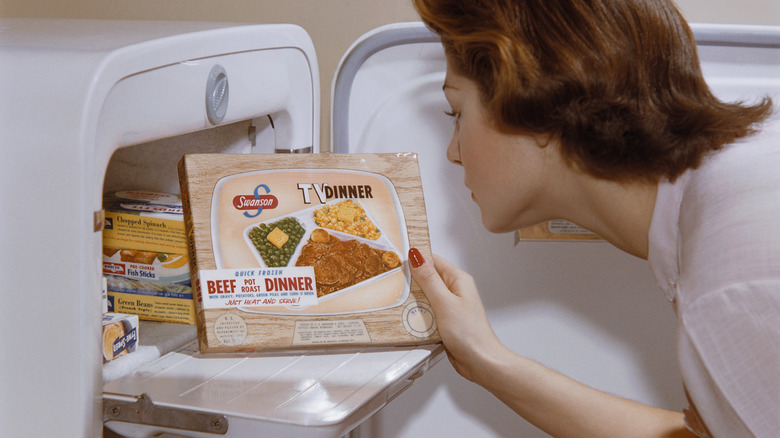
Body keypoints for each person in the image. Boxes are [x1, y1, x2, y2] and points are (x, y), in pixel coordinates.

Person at [406, 0, 780, 436]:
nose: (453, 153)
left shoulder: (730, 281)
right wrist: (486, 358)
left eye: (457, 113)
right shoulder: (729, 198)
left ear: (529, 97)